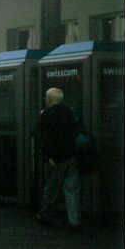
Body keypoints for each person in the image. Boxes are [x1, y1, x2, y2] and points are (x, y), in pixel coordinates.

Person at [36, 87, 81, 230]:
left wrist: (47, 156)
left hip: (55, 158)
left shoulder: (46, 114)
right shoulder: (70, 112)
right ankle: (74, 221)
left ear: (49, 99)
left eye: (46, 97)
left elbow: (43, 137)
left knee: (51, 187)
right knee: (72, 188)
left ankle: (45, 214)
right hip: (71, 156)